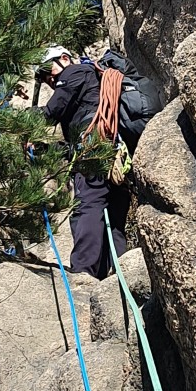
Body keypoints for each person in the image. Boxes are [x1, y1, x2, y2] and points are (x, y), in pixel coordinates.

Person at [33, 46, 130, 280]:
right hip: (106, 144)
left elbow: (51, 111)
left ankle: (84, 269)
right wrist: (47, 149)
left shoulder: (74, 72)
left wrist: (19, 122)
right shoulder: (88, 83)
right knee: (112, 211)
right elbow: (71, 142)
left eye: (50, 70)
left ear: (64, 58)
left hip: (93, 145)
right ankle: (119, 271)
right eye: (45, 78)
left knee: (87, 204)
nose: (50, 79)